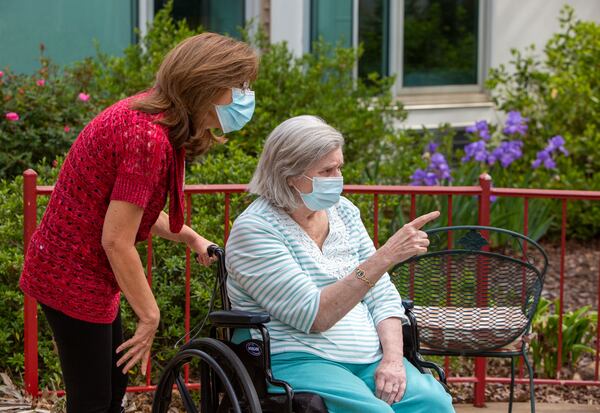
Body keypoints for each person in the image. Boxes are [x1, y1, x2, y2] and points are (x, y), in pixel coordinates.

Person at [19, 33, 258, 412]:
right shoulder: (147, 138)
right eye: (240, 86)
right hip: (71, 276)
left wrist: (192, 238)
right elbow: (116, 240)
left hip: (84, 273)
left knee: (112, 388)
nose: (247, 95)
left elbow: (130, 211)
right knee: (94, 401)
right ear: (207, 87)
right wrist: (150, 315)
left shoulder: (152, 118)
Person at [225, 116, 454, 413]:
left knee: (434, 403)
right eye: (326, 171)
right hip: (297, 358)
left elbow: (381, 294)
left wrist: (393, 360)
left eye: (339, 167)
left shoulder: (343, 212)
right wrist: (385, 257)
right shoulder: (256, 230)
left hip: (369, 358)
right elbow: (314, 316)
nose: (338, 177)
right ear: (289, 174)